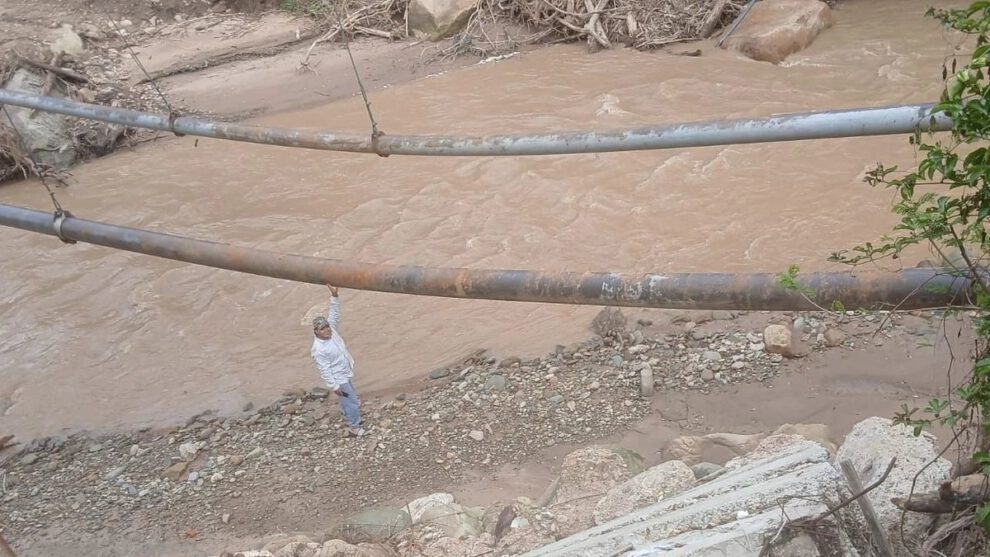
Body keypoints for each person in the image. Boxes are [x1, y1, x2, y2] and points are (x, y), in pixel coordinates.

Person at [311, 284, 366, 437]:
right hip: (339, 379)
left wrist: (334, 296)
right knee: (352, 401)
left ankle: (350, 417)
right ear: (316, 331)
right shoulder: (319, 349)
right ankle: (354, 427)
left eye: (327, 326)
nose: (327, 329)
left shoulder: (332, 332)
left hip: (346, 372)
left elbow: (334, 314)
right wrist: (334, 385)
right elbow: (324, 369)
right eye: (323, 329)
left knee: (349, 400)